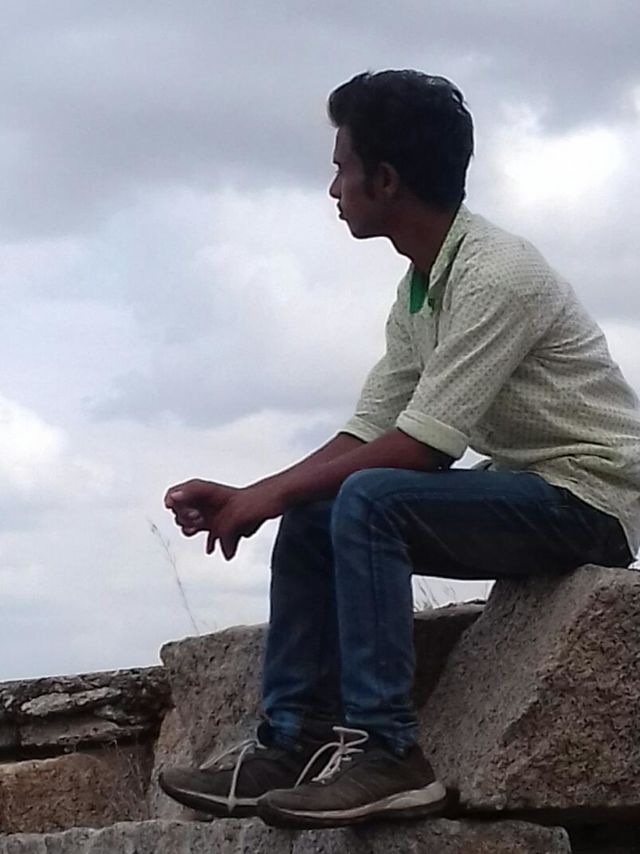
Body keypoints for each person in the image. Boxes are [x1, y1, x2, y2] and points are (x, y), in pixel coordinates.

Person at [159, 70, 639, 830]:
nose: (333, 189)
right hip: (525, 489)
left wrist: (268, 496)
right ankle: (293, 742)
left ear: (384, 180)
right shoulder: (421, 287)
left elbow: (422, 448)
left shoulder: (498, 274)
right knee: (320, 508)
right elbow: (368, 430)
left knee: (369, 497)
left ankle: (390, 754)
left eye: (341, 168)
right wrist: (255, 494)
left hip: (591, 501)